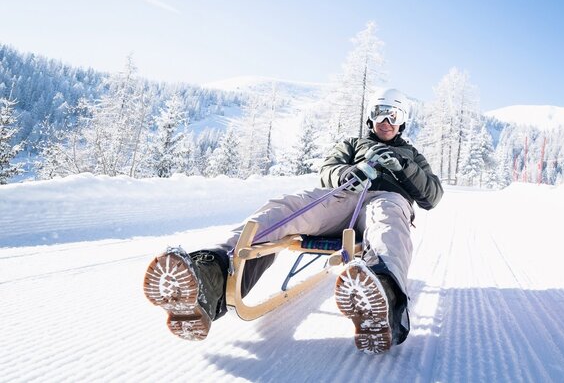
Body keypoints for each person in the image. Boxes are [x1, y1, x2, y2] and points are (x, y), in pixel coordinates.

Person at [143, 88, 443, 353]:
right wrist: (347, 174)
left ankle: (384, 296)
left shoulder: (412, 155)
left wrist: (404, 167)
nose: (386, 121)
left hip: (386, 200)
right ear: (370, 116)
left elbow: (432, 195)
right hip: (343, 199)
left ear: (403, 120)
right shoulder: (352, 143)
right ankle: (211, 274)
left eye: (393, 115)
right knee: (287, 207)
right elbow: (329, 168)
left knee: (388, 222)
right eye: (380, 113)